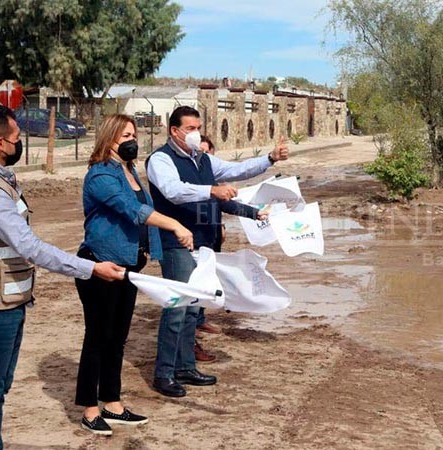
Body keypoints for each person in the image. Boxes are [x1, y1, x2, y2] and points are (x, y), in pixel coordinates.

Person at [0, 104, 125, 450]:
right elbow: (29, 247)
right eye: (17, 137)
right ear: (1, 144)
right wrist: (90, 268)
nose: (20, 143)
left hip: (7, 299)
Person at [146, 106, 285, 398]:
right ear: (175, 131)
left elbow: (236, 170)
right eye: (191, 128)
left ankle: (185, 367)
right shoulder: (160, 159)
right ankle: (164, 373)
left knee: (193, 307)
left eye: (199, 127)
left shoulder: (203, 159)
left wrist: (269, 159)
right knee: (177, 308)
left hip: (203, 243)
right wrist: (211, 190)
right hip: (176, 243)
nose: (196, 133)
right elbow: (173, 191)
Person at [74, 115, 195, 436]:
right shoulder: (100, 175)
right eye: (125, 135)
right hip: (99, 265)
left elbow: (141, 212)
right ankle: (89, 409)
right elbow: (133, 210)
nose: (132, 140)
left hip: (128, 267)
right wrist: (175, 225)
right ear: (109, 138)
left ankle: (112, 403)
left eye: (134, 134)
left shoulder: (131, 172)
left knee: (117, 338)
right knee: (97, 338)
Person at [194, 135, 221, 364]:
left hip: (211, 234)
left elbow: (220, 205)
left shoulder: (212, 177)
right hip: (194, 239)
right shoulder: (194, 184)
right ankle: (191, 344)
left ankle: (200, 318)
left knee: (208, 279)